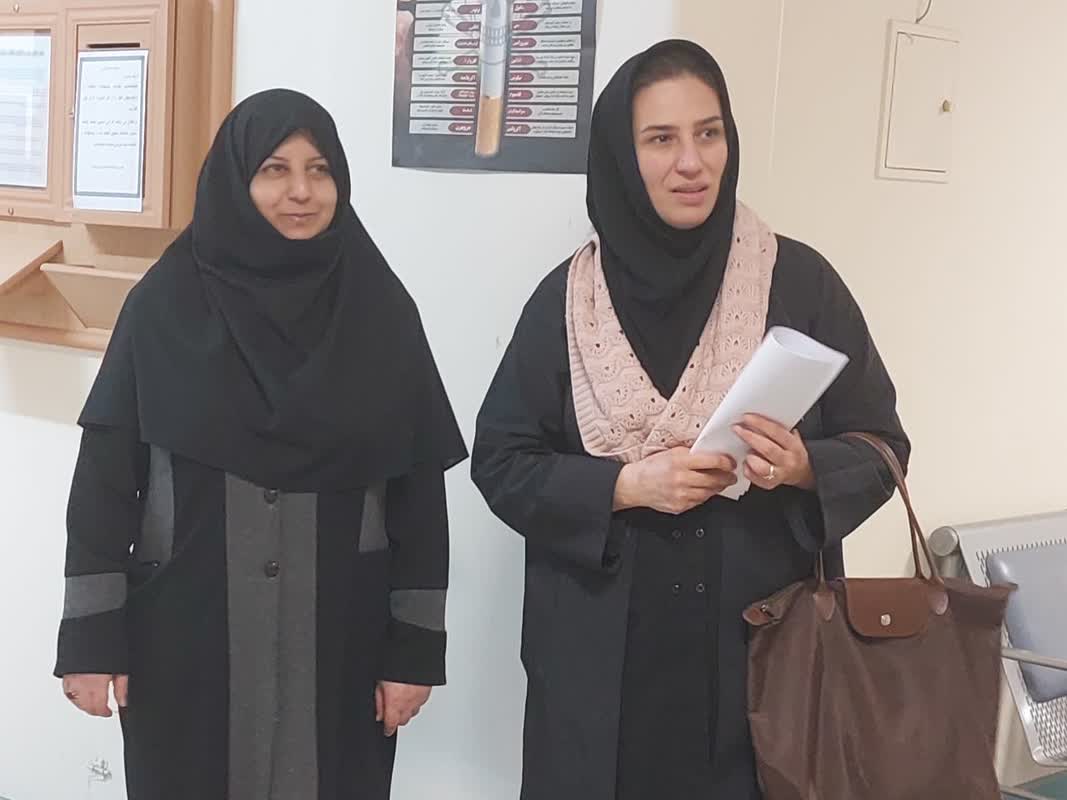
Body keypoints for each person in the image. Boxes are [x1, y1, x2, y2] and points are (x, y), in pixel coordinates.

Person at [471, 39, 909, 800]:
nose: (691, 163)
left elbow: (882, 447)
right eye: (660, 139)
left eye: (709, 133)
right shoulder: (569, 304)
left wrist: (805, 466)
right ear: (620, 156)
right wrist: (627, 487)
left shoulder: (798, 282)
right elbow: (502, 462)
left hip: (761, 669)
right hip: (603, 675)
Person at [54, 89, 468, 800]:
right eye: (275, 169)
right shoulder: (163, 307)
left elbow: (419, 499)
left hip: (342, 638)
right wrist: (91, 638)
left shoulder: (381, 313)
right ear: (236, 180)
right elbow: (104, 482)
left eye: (319, 169)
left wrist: (414, 651)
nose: (301, 191)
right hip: (184, 636)